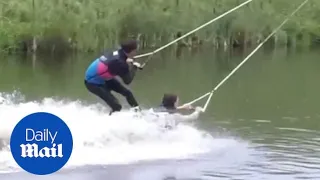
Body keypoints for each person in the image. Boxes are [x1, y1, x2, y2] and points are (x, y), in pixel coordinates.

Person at [84, 40, 141, 115]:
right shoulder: (121, 63)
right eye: (136, 50)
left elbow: (115, 62)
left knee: (128, 94)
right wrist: (134, 67)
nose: (136, 52)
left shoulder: (118, 53)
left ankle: (139, 114)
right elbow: (128, 81)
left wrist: (126, 60)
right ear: (132, 51)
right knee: (116, 106)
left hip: (103, 77)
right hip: (92, 82)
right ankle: (110, 124)